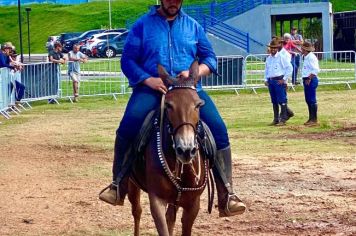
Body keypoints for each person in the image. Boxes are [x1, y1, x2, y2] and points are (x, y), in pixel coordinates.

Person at [99, 0, 246, 217]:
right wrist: (147, 79)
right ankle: (118, 186)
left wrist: (196, 73)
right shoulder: (142, 26)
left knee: (219, 129)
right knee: (128, 126)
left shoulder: (193, 26)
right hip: (152, 89)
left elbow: (210, 58)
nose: (173, 3)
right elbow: (128, 61)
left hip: (187, 90)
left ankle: (227, 195)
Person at [264, 38, 293, 126]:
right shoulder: (268, 58)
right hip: (271, 81)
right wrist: (266, 79)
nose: (273, 50)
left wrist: (284, 79)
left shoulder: (281, 57)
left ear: (277, 48)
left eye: (274, 48)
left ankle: (283, 118)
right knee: (274, 101)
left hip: (279, 80)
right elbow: (266, 70)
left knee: (282, 99)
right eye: (271, 48)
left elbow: (289, 68)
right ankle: (276, 118)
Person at [301, 41, 320, 126]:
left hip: (310, 79)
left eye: (302, 49)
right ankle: (311, 118)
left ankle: (314, 119)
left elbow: (316, 69)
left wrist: (309, 78)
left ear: (305, 49)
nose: (301, 50)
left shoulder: (311, 57)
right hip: (306, 79)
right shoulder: (306, 57)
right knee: (308, 99)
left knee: (312, 100)